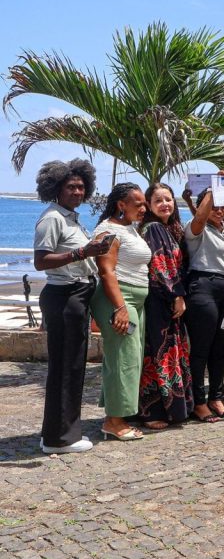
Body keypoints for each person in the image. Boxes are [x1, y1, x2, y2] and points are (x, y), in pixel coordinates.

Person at [34, 159, 111, 453]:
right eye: (70, 187)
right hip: (64, 296)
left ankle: (57, 433)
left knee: (72, 366)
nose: (77, 191)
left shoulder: (70, 218)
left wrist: (93, 249)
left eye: (81, 187)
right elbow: (41, 261)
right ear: (56, 188)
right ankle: (60, 439)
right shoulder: (52, 218)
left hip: (76, 295)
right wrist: (82, 252)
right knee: (65, 368)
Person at [91, 183, 152, 440]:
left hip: (133, 301)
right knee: (123, 359)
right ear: (121, 205)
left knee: (128, 357)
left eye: (144, 203)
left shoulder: (129, 228)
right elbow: (106, 271)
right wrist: (120, 308)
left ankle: (115, 414)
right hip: (119, 300)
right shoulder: (109, 230)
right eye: (138, 204)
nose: (144, 208)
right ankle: (114, 422)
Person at [184, 186, 224, 423]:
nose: (219, 210)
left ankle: (215, 397)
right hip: (203, 285)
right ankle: (198, 401)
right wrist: (213, 188)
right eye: (214, 206)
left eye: (223, 206)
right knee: (202, 347)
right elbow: (200, 217)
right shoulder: (197, 227)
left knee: (221, 346)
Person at [138, 184, 193, 429]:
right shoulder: (154, 228)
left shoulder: (168, 229)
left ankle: (172, 409)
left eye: (168, 199)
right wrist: (176, 296)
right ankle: (153, 412)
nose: (165, 204)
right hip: (160, 300)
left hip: (165, 299)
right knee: (159, 354)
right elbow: (161, 267)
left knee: (168, 352)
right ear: (148, 205)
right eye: (158, 200)